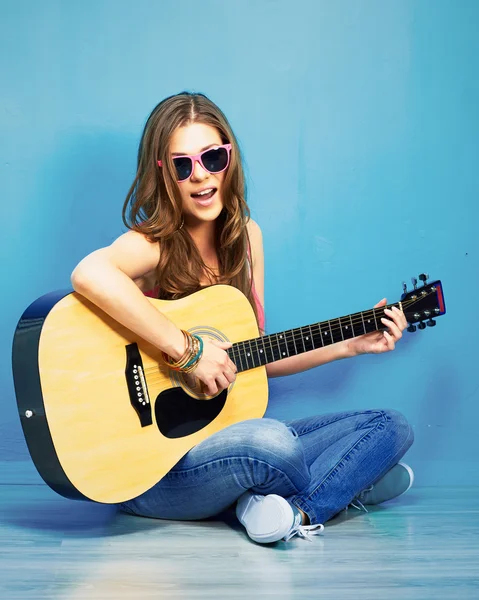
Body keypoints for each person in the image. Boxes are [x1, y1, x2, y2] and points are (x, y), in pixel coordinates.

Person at [71, 91, 414, 544]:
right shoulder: (153, 243)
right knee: (275, 444)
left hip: (227, 440)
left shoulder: (247, 239)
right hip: (151, 469)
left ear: (228, 158)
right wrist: (188, 351)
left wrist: (351, 344)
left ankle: (282, 509)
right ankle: (336, 488)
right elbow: (87, 273)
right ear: (164, 173)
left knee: (390, 428)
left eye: (212, 157)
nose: (201, 176)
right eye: (182, 165)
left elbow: (254, 356)